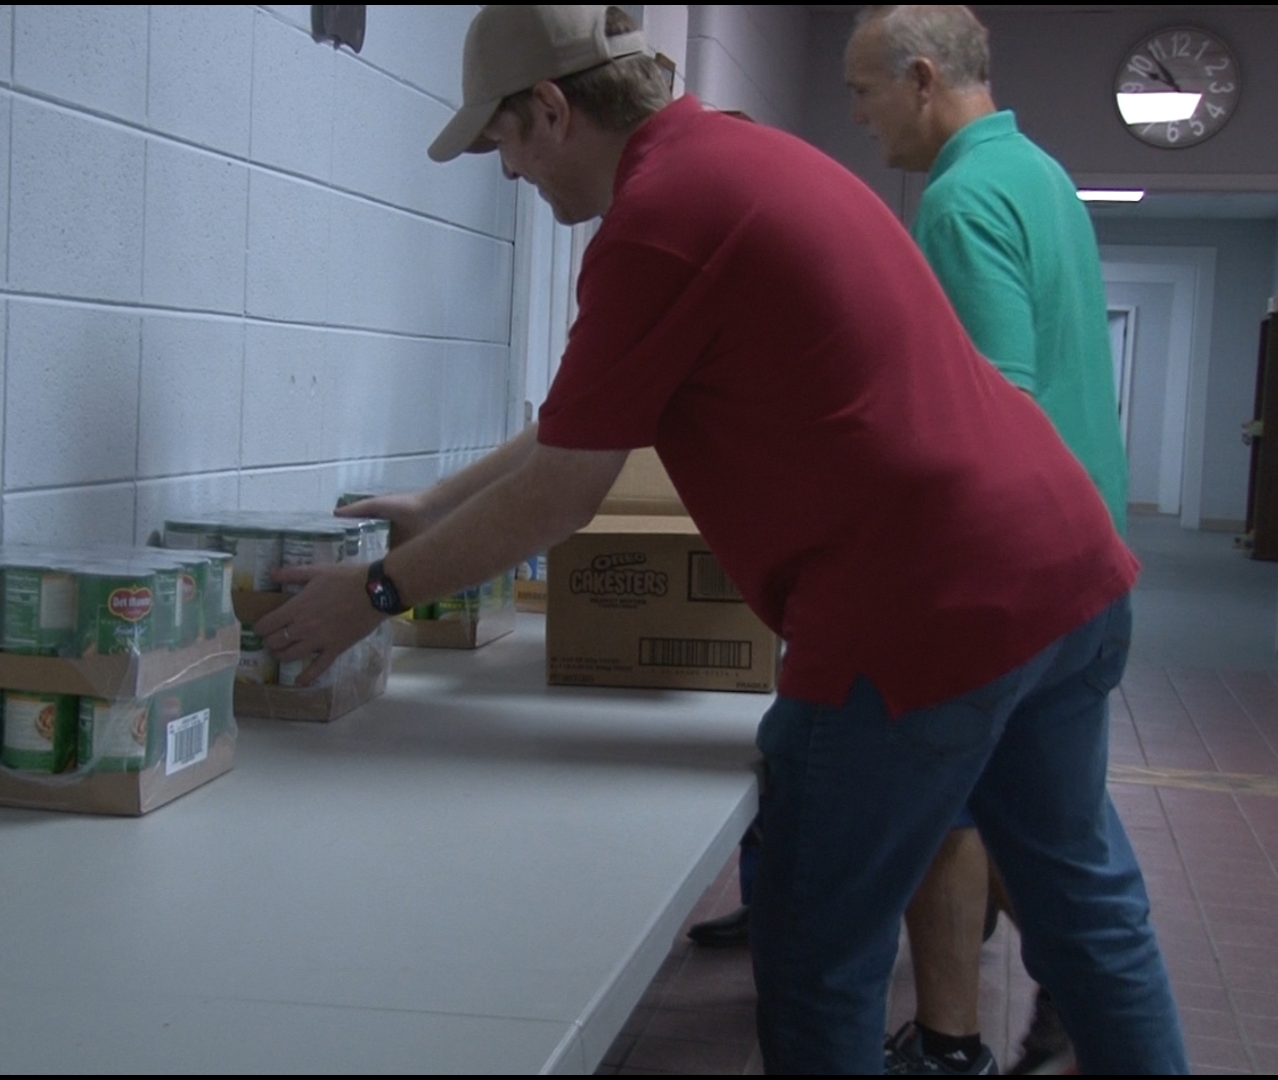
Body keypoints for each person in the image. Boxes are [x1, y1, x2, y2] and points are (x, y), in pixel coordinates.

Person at [253, 6, 1186, 1073]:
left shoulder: (657, 221)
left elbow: (565, 490)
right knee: (1086, 910)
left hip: (923, 610)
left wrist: (376, 590)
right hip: (1067, 574)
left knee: (819, 949)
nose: (504, 170)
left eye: (499, 141)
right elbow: (582, 421)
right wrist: (437, 507)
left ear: (551, 110)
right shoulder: (734, 160)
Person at [843, 7, 1132, 1074]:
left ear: (922, 80)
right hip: (1093, 558)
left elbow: (993, 410)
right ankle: (1070, 1004)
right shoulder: (1044, 176)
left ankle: (953, 1045)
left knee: (954, 813)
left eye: (864, 91)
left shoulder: (959, 201)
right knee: (1047, 822)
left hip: (1017, 578)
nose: (861, 117)